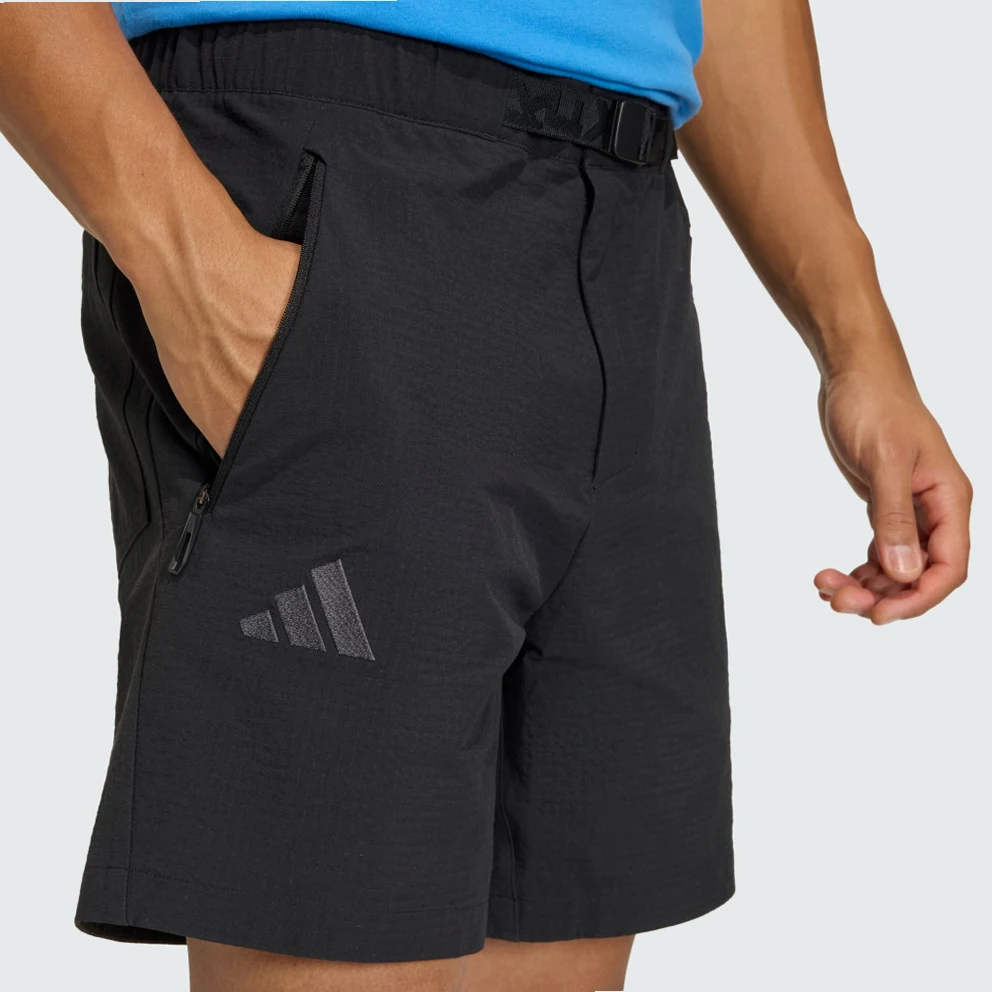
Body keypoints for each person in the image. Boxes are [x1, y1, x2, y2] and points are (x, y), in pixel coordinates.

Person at [0, 2, 973, 991]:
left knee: (561, 944)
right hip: (336, 168)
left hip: (624, 234)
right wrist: (184, 256)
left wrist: (859, 343)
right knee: (332, 945)